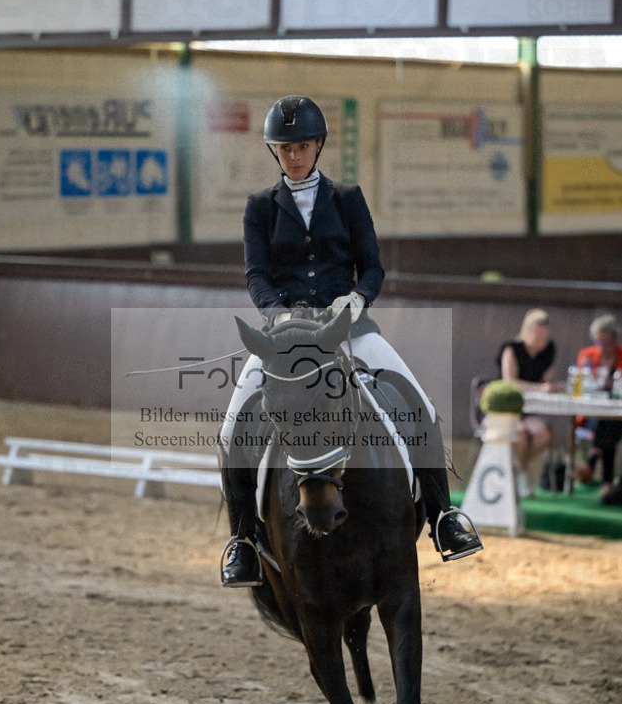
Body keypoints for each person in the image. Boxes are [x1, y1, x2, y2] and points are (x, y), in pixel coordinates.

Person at [219, 95, 482, 587]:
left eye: (301, 146)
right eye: (284, 147)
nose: (293, 155)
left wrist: (357, 301)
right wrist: (279, 318)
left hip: (348, 327)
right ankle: (243, 541)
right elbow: (257, 275)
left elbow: (373, 267)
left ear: (317, 145)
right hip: (286, 337)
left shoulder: (347, 198)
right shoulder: (259, 207)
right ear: (274, 151)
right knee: (234, 426)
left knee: (416, 404)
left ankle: (446, 517)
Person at [497, 309, 561, 498]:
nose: (543, 340)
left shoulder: (548, 350)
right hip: (507, 408)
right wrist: (540, 389)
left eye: (546, 335)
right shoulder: (512, 349)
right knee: (521, 434)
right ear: (527, 331)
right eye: (539, 335)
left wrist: (554, 387)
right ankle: (522, 474)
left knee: (544, 434)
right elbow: (510, 382)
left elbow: (546, 381)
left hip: (531, 410)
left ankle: (516, 468)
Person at [574, 314, 622, 500]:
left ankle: (592, 461)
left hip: (616, 414)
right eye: (597, 341)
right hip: (590, 414)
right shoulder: (587, 355)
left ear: (614, 339)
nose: (601, 345)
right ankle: (606, 481)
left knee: (610, 423)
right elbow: (580, 382)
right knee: (607, 424)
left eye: (605, 341)